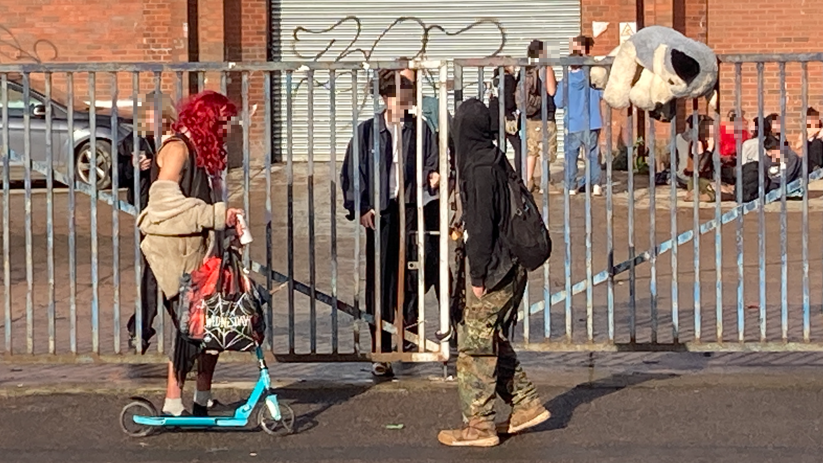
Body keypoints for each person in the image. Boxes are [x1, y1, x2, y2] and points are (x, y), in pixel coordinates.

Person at [438, 98, 549, 447]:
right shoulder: (492, 157)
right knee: (489, 337)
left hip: (498, 268)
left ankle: (479, 425)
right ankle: (526, 404)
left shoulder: (480, 168)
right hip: (511, 265)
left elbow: (482, 229)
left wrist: (477, 278)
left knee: (474, 347)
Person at [136, 90, 243, 417]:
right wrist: (216, 215)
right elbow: (163, 204)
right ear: (208, 120)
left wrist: (227, 229)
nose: (227, 130)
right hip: (172, 257)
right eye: (222, 122)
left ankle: (202, 398)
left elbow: (208, 202)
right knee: (191, 328)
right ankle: (172, 403)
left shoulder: (203, 154)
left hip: (200, 253)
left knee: (211, 326)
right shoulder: (178, 149)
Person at [340, 69, 439, 377]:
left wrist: (433, 176)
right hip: (381, 211)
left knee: (411, 273)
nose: (403, 106)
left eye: (407, 100)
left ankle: (408, 338)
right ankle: (380, 346)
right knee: (380, 279)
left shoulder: (419, 128)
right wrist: (362, 207)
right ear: (385, 99)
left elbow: (432, 160)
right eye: (398, 99)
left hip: (411, 208)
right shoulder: (367, 131)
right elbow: (352, 173)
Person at [124, 90, 177, 354]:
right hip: (149, 212)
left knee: (171, 274)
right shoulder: (136, 140)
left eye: (156, 114)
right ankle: (141, 329)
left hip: (174, 213)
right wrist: (133, 166)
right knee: (153, 273)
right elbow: (117, 171)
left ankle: (147, 328)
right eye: (147, 114)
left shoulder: (177, 140)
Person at [547, 35, 603, 196]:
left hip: (573, 123)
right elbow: (602, 94)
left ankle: (572, 186)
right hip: (592, 122)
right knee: (592, 155)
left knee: (571, 157)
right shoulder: (592, 78)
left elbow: (558, 102)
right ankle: (596, 185)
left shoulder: (566, 80)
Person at [519, 40, 558, 193]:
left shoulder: (526, 69)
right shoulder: (545, 68)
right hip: (545, 115)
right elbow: (552, 91)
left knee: (531, 150)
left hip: (530, 115)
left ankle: (528, 181)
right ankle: (545, 182)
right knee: (546, 150)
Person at [488, 62, 521, 165]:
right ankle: (518, 174)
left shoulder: (495, 80)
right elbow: (509, 101)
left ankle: (499, 172)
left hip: (494, 118)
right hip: (507, 118)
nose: (514, 67)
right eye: (512, 65)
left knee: (501, 148)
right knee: (518, 147)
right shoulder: (509, 80)